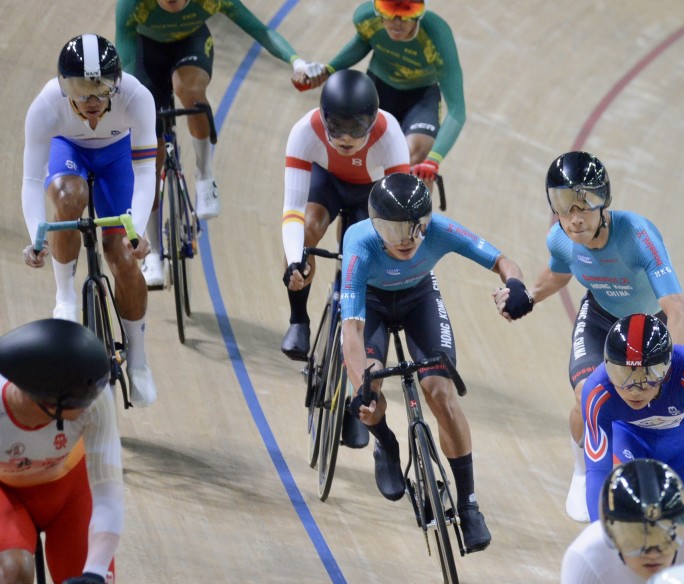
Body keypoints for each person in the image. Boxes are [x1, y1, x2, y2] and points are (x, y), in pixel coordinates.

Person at [340, 173, 533, 553]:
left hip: (419, 299)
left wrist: (515, 287)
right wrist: (362, 383)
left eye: (416, 227)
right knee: (370, 389)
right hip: (372, 306)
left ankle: (469, 503)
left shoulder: (440, 230)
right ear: (376, 226)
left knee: (441, 393)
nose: (408, 238)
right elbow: (352, 330)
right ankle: (386, 443)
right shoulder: (359, 244)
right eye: (394, 230)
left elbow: (502, 261)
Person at [501, 150, 684, 522]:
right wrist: (527, 297)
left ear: (604, 202)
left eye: (584, 204)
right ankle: (582, 469)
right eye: (562, 205)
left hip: (647, 326)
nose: (574, 218)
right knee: (587, 394)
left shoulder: (638, 235)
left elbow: (677, 310)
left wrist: (671, 368)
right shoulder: (559, 238)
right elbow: (559, 273)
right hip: (601, 320)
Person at [115, 0, 322, 285]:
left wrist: (295, 61)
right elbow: (125, 65)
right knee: (149, 154)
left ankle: (205, 176)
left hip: (191, 45)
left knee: (189, 90)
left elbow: (260, 30)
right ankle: (153, 256)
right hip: (144, 52)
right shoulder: (132, 4)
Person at [22, 34, 157, 407]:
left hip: (118, 159)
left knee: (124, 257)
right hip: (69, 152)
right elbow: (32, 181)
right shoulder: (47, 105)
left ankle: (139, 358)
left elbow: (146, 171)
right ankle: (65, 297)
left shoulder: (137, 97)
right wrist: (37, 236)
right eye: (81, 90)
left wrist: (137, 229)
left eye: (101, 88)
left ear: (116, 83)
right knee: (70, 198)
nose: (92, 100)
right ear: (65, 87)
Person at [0, 319, 126, 584]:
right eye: (80, 402)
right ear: (46, 399)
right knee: (10, 580)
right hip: (6, 497)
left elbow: (108, 493)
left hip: (69, 495)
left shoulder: (95, 398)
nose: (91, 406)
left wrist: (95, 571)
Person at [279, 69, 410, 360]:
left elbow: (400, 214)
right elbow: (293, 211)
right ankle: (298, 320)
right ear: (324, 117)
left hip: (372, 193)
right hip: (327, 183)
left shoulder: (390, 136)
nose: (346, 137)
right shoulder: (304, 131)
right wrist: (294, 261)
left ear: (373, 120)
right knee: (308, 229)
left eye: (357, 126)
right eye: (337, 126)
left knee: (367, 250)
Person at [306, 0, 464, 184]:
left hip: (420, 98)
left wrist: (433, 160)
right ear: (378, 10)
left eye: (406, 13)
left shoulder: (437, 35)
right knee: (355, 147)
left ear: (419, 14)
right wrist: (328, 70)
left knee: (416, 158)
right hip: (378, 91)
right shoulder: (366, 18)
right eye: (389, 12)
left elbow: (457, 111)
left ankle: (419, 211)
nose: (396, 22)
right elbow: (362, 42)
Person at [581, 314, 684, 516]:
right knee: (629, 514)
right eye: (623, 376)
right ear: (607, 366)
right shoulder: (597, 391)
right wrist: (602, 535)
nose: (635, 390)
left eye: (649, 375)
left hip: (683, 452)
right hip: (630, 444)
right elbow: (598, 473)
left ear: (667, 369)